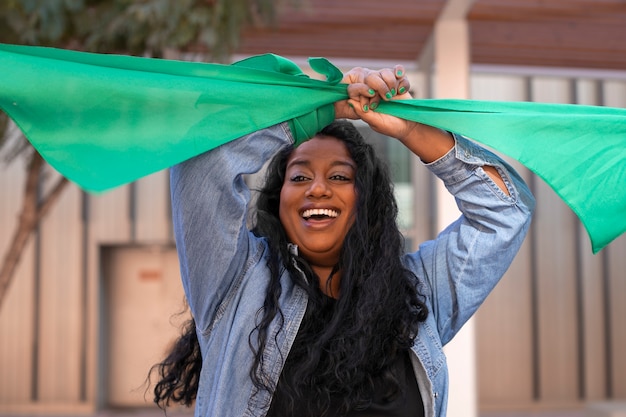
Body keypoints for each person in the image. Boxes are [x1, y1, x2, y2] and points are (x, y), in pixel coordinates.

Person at [149, 65, 535, 417]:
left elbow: (505, 211)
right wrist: (324, 107)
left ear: (364, 202)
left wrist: (410, 128)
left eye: (339, 177)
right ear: (278, 201)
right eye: (299, 177)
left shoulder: (419, 294)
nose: (317, 189)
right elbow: (203, 161)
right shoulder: (238, 286)